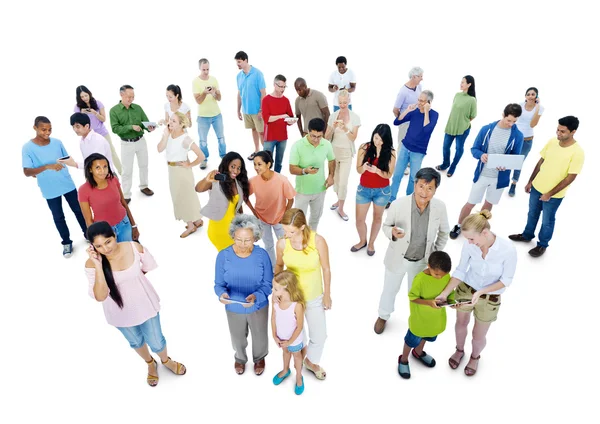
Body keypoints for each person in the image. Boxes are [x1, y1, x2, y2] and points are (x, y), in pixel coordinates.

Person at [85, 222, 186, 387]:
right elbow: (101, 295)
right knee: (136, 342)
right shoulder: (92, 264)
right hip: (119, 313)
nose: (105, 249)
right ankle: (150, 363)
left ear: (114, 236)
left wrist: (133, 281)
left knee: (157, 341)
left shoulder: (134, 248)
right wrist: (98, 265)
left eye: (108, 242)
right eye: (99, 246)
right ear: (93, 247)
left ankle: (166, 360)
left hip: (145, 304)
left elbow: (148, 266)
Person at [437, 210, 517, 377]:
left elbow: (506, 280)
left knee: (478, 335)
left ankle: (475, 357)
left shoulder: (508, 250)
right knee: (460, 324)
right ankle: (459, 350)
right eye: (467, 239)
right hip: (466, 290)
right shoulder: (470, 245)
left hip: (489, 298)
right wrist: (445, 293)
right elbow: (460, 271)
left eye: (471, 239)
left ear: (485, 233)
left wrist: (481, 292)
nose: (469, 242)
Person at [375, 167, 449, 334]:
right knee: (389, 290)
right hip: (398, 257)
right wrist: (392, 233)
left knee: (416, 295)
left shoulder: (440, 207)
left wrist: (434, 253)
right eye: (421, 186)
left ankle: (415, 321)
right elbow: (386, 226)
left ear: (435, 189)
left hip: (422, 262)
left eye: (430, 188)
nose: (424, 192)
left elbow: (444, 232)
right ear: (415, 184)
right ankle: (383, 315)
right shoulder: (398, 204)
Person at [509, 116, 584, 257]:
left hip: (554, 195)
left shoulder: (578, 152)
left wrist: (549, 193)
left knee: (547, 221)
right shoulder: (552, 141)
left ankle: (542, 245)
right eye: (557, 129)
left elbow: (570, 178)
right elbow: (540, 162)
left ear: (573, 131)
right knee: (532, 214)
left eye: (562, 131)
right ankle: (527, 235)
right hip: (537, 187)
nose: (558, 133)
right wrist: (531, 181)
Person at [449, 104, 524, 240]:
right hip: (482, 174)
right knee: (471, 202)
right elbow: (474, 149)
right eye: (509, 120)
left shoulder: (518, 135)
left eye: (514, 121)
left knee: (488, 204)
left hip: (499, 178)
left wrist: (506, 166)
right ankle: (459, 225)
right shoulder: (487, 129)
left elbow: (515, 157)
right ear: (503, 114)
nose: (511, 124)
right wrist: (481, 155)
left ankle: (478, 227)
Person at [275, 208, 332, 381]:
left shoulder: (318, 241)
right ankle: (296, 362)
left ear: (302, 227)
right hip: (291, 299)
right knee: (298, 333)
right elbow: (279, 266)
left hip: (314, 296)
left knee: (320, 336)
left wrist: (327, 294)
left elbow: (326, 268)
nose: (287, 235)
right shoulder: (282, 243)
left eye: (291, 231)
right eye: (285, 230)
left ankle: (310, 361)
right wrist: (276, 290)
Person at [214, 214, 273, 376]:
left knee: (260, 335)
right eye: (238, 239)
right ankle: (240, 359)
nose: (242, 244)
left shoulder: (262, 256)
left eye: (247, 240)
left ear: (255, 238)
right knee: (237, 337)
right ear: (233, 235)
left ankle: (259, 358)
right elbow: (218, 285)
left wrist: (256, 296)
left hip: (258, 305)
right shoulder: (223, 256)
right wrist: (221, 294)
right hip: (233, 306)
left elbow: (268, 284)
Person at [22, 116, 87, 258]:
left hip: (66, 183)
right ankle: (66, 242)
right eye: (43, 129)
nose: (47, 132)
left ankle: (88, 233)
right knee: (58, 216)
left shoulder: (57, 142)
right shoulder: (27, 148)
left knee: (79, 210)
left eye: (50, 129)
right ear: (35, 128)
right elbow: (27, 171)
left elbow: (67, 159)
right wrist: (46, 167)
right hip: (49, 188)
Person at [397, 251, 454, 379]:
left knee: (427, 336)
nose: (440, 277)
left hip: (435, 319)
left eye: (443, 275)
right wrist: (428, 302)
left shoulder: (445, 275)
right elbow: (412, 297)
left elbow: (449, 292)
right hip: (420, 319)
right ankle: (404, 359)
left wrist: (452, 302)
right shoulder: (420, 279)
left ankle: (418, 352)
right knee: (411, 340)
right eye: (436, 274)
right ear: (429, 266)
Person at [157, 112, 205, 238]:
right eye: (170, 120)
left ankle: (190, 225)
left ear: (180, 124)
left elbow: (201, 156)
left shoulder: (185, 138)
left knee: (183, 197)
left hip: (181, 171)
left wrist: (189, 165)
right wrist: (165, 136)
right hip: (172, 170)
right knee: (183, 196)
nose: (170, 123)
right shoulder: (169, 134)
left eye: (174, 121)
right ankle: (197, 220)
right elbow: (159, 149)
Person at [352, 124, 396, 256]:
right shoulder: (364, 147)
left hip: (382, 191)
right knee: (359, 219)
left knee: (377, 218)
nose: (377, 142)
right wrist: (364, 167)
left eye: (381, 140)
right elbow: (358, 170)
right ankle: (362, 241)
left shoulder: (391, 152)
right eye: (376, 138)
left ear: (386, 140)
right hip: (364, 189)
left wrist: (377, 170)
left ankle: (371, 243)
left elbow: (388, 175)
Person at [246, 151, 296, 267]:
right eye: (254, 164)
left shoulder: (282, 180)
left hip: (278, 219)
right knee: (268, 245)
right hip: (262, 219)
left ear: (268, 165)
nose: (256, 168)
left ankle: (288, 266)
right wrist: (254, 212)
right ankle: (273, 268)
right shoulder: (253, 181)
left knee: (284, 244)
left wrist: (284, 216)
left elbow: (291, 199)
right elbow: (245, 196)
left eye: (259, 164)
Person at [389, 90, 439, 204]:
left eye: (422, 101)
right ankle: (391, 198)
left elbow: (427, 130)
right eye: (419, 100)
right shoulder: (415, 111)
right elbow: (396, 122)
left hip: (418, 151)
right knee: (397, 175)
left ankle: (408, 200)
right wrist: (407, 110)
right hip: (405, 147)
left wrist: (426, 111)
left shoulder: (434, 115)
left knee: (413, 178)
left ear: (429, 102)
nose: (419, 103)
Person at [109, 85, 156, 204]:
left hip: (141, 141)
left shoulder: (138, 108)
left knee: (144, 165)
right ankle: (125, 194)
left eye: (133, 97)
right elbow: (115, 129)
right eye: (129, 96)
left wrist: (149, 128)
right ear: (121, 95)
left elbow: (145, 122)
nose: (131, 99)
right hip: (127, 143)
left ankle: (144, 186)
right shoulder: (114, 110)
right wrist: (131, 127)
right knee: (126, 170)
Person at [78, 153, 139, 243]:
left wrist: (134, 225)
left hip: (124, 224)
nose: (103, 171)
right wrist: (94, 241)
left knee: (129, 252)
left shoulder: (113, 179)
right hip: (104, 231)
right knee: (113, 256)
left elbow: (123, 203)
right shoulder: (83, 190)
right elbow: (88, 219)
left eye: (105, 166)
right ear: (90, 169)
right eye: (97, 167)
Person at [288, 118, 335, 231]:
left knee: (315, 218)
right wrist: (305, 171)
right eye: (313, 136)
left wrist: (331, 176)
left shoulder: (326, 144)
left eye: (319, 136)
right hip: (302, 191)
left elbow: (331, 160)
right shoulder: (297, 146)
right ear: (308, 132)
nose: (316, 139)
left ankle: (311, 240)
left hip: (320, 189)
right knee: (299, 220)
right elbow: (292, 169)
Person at [196, 152, 250, 251]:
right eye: (233, 166)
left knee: (237, 257)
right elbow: (198, 189)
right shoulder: (216, 182)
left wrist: (242, 224)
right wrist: (207, 179)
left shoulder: (239, 183)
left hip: (234, 229)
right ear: (226, 165)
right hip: (218, 229)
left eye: (238, 168)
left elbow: (238, 206)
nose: (236, 170)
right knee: (228, 258)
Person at [325, 89, 361, 221]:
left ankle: (341, 207)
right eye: (340, 102)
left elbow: (353, 138)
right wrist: (333, 127)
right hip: (334, 152)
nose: (342, 105)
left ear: (349, 101)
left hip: (346, 153)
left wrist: (345, 128)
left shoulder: (355, 117)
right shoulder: (333, 116)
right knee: (336, 180)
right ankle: (338, 200)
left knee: (344, 181)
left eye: (345, 102)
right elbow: (326, 136)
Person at [271, 271, 306, 395]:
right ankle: (285, 370)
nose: (273, 291)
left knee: (297, 356)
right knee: (285, 353)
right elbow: (273, 317)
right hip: (281, 337)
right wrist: (274, 335)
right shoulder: (275, 301)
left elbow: (300, 326)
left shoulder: (296, 305)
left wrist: (290, 342)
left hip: (294, 340)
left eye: (275, 289)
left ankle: (299, 376)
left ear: (286, 288)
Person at [435, 75, 477, 177]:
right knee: (445, 147)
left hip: (462, 129)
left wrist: (463, 122)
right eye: (461, 82)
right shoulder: (457, 95)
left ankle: (453, 167)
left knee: (459, 148)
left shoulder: (472, 100)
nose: (461, 84)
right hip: (451, 126)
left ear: (469, 84)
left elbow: (473, 115)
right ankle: (445, 164)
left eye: (463, 82)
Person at [75, 85, 122, 174]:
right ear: (79, 98)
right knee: (93, 156)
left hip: (102, 133)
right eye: (82, 97)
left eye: (86, 95)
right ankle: (100, 174)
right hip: (89, 136)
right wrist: (81, 113)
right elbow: (77, 123)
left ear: (89, 94)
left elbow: (103, 119)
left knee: (111, 152)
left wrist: (94, 113)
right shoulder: (77, 107)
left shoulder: (97, 103)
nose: (84, 98)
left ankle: (121, 171)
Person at [508, 87, 545, 197]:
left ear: (536, 97)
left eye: (533, 94)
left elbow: (532, 124)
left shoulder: (540, 108)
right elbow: (513, 120)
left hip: (527, 140)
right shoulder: (519, 105)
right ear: (525, 96)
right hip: (515, 137)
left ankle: (513, 184)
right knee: (508, 159)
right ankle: (501, 181)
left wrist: (537, 106)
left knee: (519, 163)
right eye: (528, 94)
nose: (530, 96)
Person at [193, 58, 226, 169]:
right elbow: (198, 101)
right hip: (203, 116)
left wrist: (214, 93)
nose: (206, 72)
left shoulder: (214, 79)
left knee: (221, 138)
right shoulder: (195, 82)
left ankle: (223, 157)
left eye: (207, 69)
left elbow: (220, 98)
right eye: (204, 69)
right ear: (199, 68)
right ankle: (204, 159)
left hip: (216, 115)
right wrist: (204, 92)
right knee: (203, 141)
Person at [235, 51, 266, 160]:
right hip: (246, 110)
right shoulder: (239, 76)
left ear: (245, 60)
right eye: (236, 62)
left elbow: (263, 93)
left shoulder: (258, 74)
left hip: (257, 110)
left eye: (239, 62)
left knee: (261, 132)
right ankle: (257, 151)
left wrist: (261, 110)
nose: (237, 64)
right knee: (253, 130)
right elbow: (239, 93)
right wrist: (238, 110)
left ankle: (266, 156)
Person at [261, 74, 295, 173]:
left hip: (282, 137)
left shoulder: (286, 100)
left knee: (279, 162)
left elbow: (290, 116)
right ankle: (265, 181)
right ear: (274, 85)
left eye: (284, 87)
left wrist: (291, 121)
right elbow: (267, 119)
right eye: (280, 86)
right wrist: (281, 116)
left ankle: (277, 180)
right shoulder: (266, 100)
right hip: (270, 137)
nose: (283, 89)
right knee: (266, 162)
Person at [393, 67, 423, 158]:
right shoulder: (403, 92)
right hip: (405, 122)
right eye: (420, 76)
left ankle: (408, 160)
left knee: (413, 141)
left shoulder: (419, 87)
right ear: (414, 77)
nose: (422, 78)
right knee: (402, 142)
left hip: (415, 121)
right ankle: (401, 163)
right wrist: (401, 120)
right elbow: (395, 109)